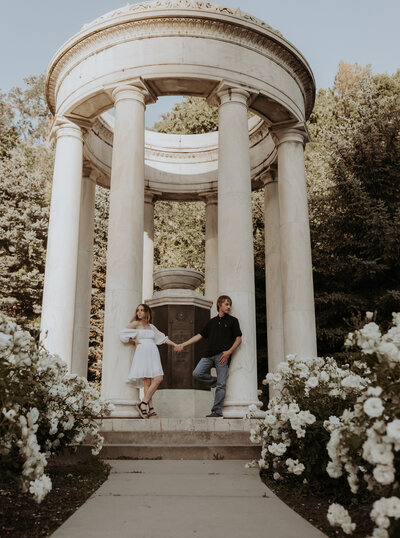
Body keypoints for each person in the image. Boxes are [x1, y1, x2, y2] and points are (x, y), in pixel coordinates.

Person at [177, 295, 242, 418]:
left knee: (221, 385)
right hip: (209, 355)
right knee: (197, 373)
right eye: (226, 304)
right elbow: (199, 336)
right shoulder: (211, 322)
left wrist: (228, 352)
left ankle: (216, 411)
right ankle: (218, 382)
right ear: (219, 304)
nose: (228, 307)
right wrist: (183, 344)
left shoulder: (233, 321)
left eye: (229, 305)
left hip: (222, 356)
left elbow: (238, 340)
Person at [120, 304, 180, 419]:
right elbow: (122, 335)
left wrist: (175, 345)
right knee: (147, 382)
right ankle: (151, 409)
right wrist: (134, 340)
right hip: (142, 352)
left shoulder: (151, 327)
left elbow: (163, 338)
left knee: (158, 378)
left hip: (153, 352)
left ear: (147, 312)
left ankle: (143, 404)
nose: (139, 312)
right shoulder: (135, 324)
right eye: (138, 310)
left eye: (142, 310)